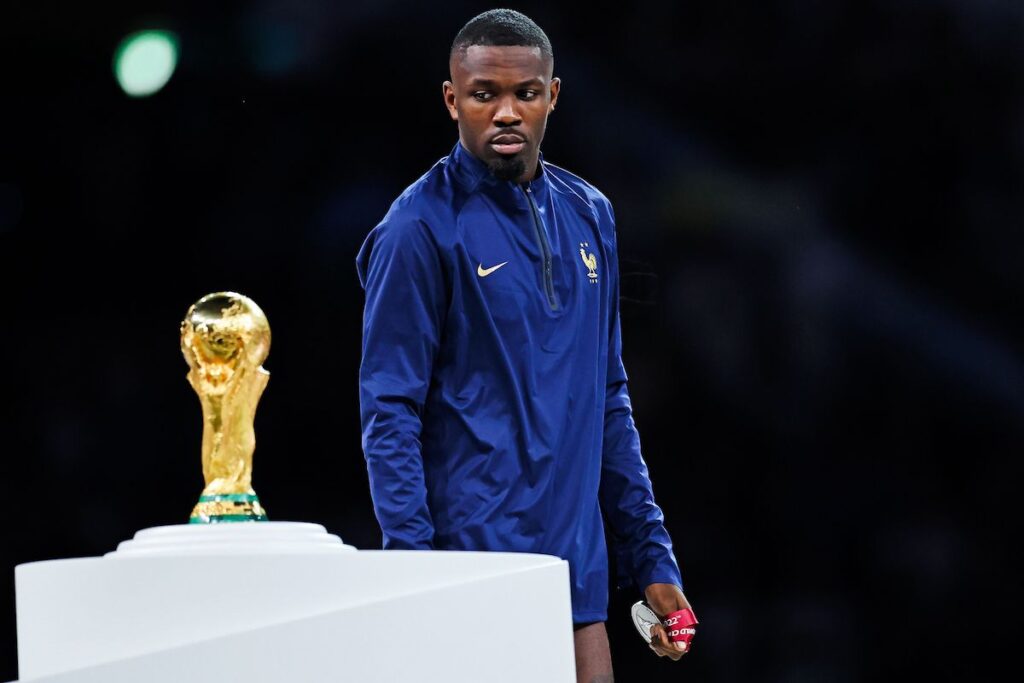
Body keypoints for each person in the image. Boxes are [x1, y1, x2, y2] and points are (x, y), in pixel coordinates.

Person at [356, 9, 694, 680]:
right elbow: (389, 412)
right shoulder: (416, 230)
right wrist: (413, 571)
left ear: (552, 96)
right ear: (453, 100)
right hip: (472, 578)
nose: (506, 111)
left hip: (577, 586)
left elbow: (609, 397)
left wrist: (652, 559)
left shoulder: (591, 214)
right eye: (485, 94)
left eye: (524, 93)